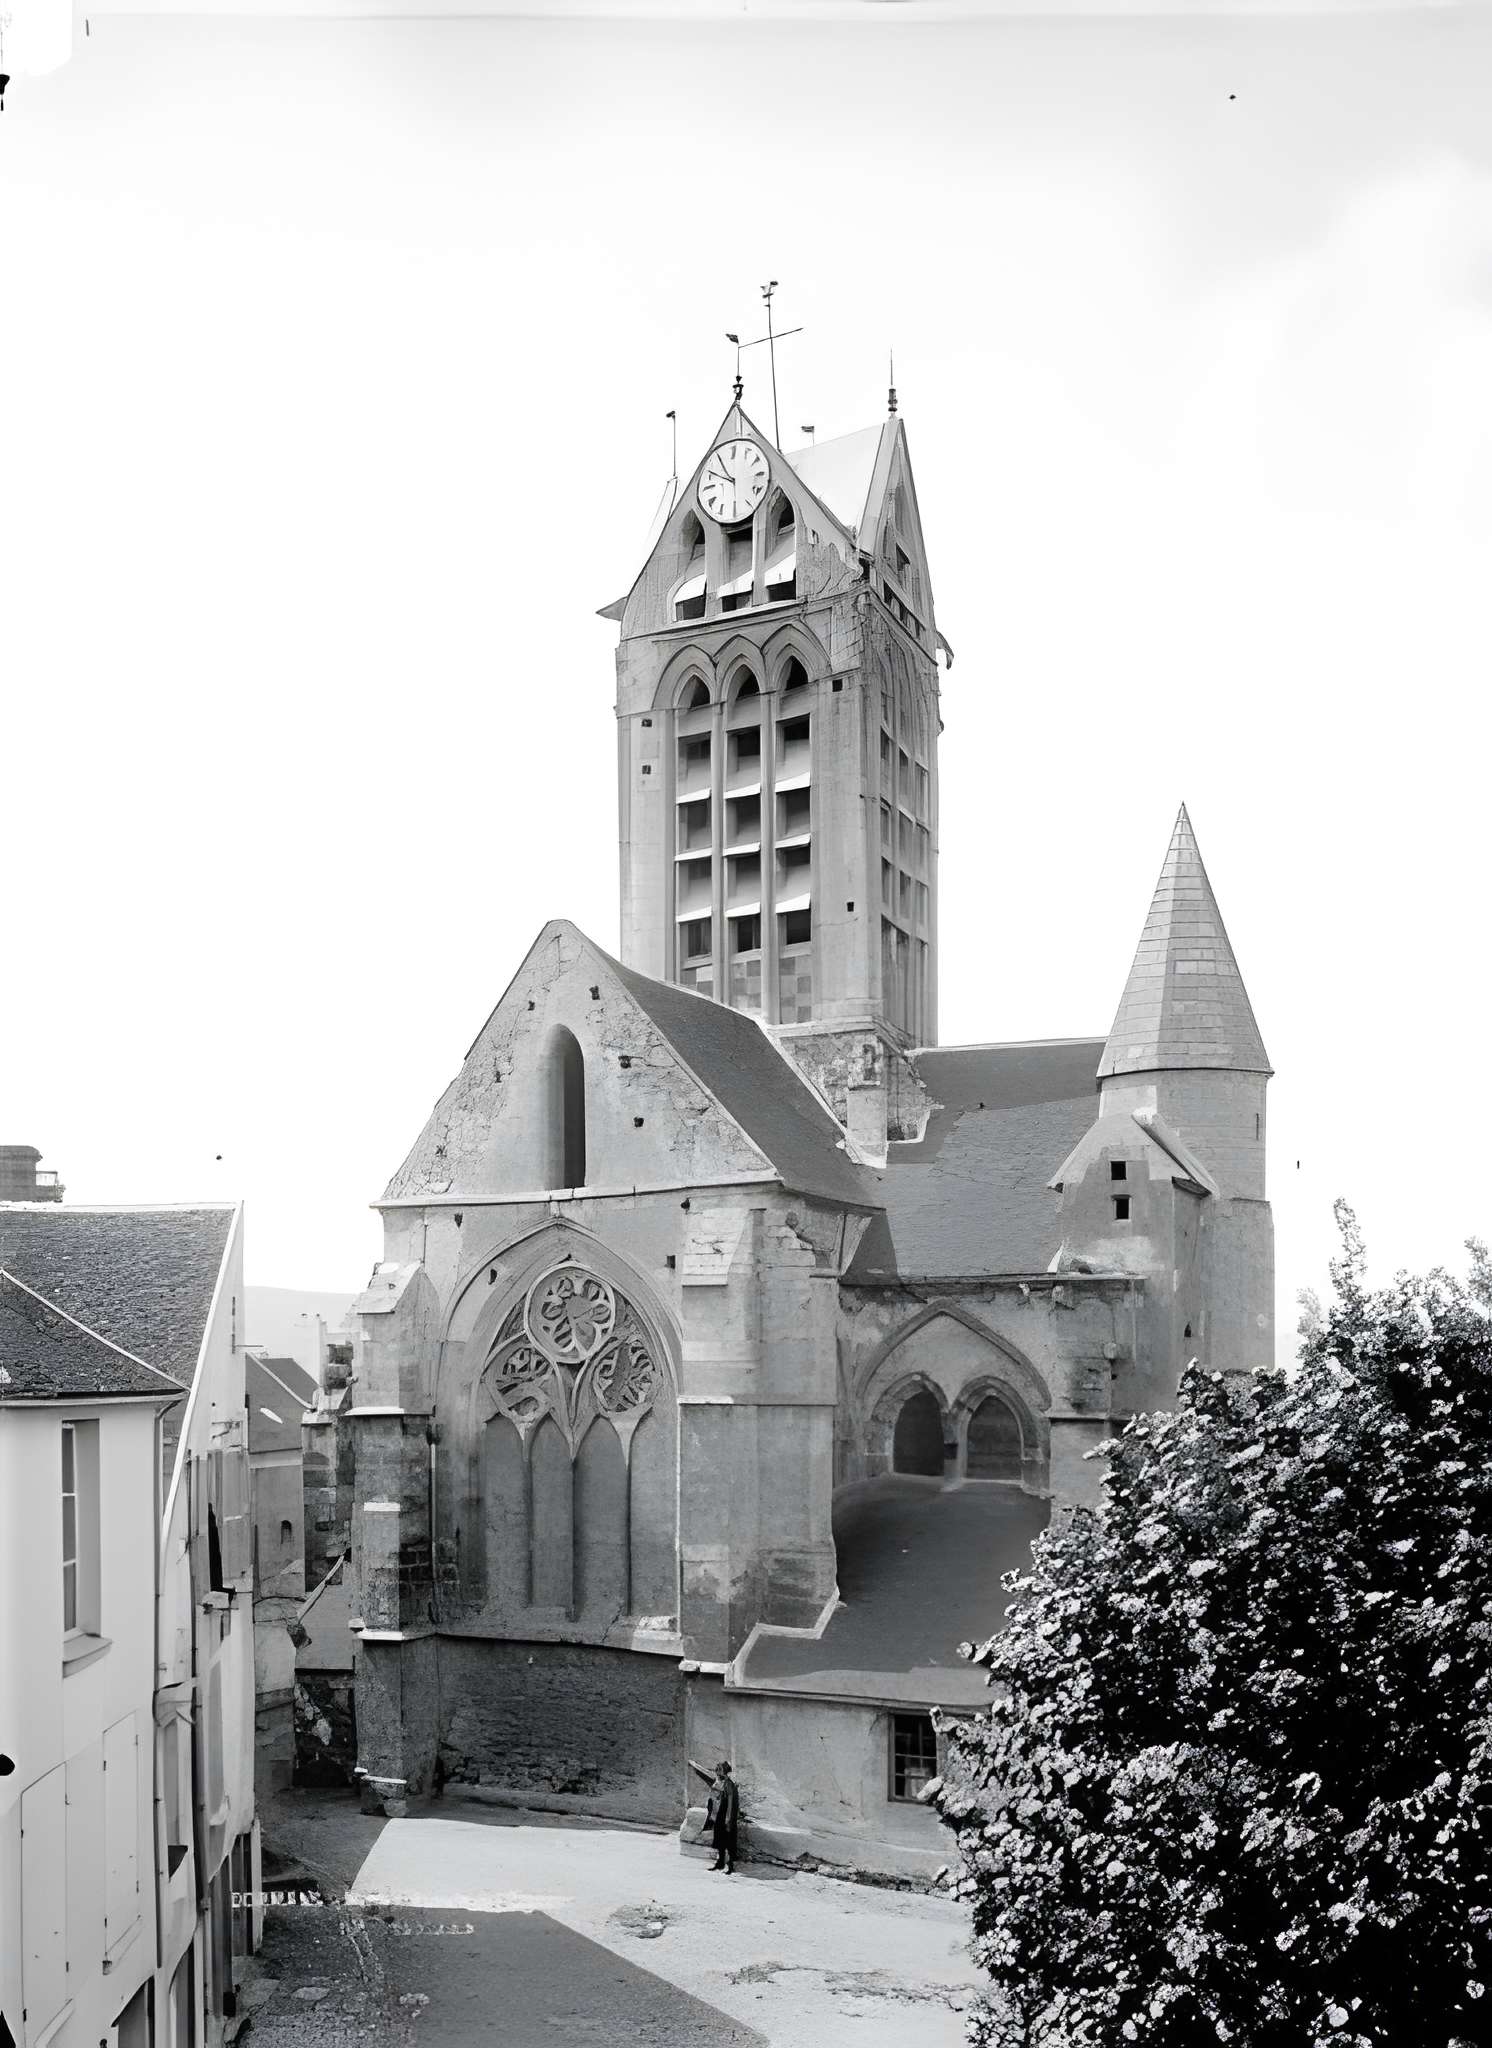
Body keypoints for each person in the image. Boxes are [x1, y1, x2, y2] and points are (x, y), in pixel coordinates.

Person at [689, 1756, 740, 1873]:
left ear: (725, 1771)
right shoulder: (717, 1781)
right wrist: (695, 1766)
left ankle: (730, 1866)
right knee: (719, 1840)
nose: (717, 1770)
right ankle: (720, 1863)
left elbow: (731, 1804)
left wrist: (729, 1819)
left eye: (720, 1769)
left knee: (729, 1841)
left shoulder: (729, 1784)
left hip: (726, 1816)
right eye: (717, 1768)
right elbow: (705, 1775)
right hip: (717, 1815)